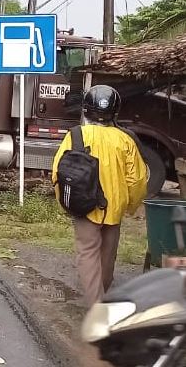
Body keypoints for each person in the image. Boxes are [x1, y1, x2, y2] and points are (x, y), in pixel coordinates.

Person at [51, 84, 147, 307]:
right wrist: (131, 206)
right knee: (107, 256)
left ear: (86, 109)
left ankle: (96, 306)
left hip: (85, 207)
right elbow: (137, 180)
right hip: (114, 210)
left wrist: (65, 202)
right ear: (115, 111)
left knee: (87, 253)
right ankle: (101, 298)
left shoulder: (76, 134)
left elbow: (57, 172)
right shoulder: (126, 140)